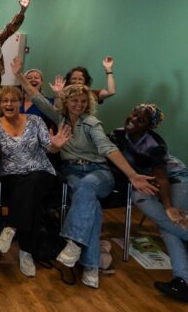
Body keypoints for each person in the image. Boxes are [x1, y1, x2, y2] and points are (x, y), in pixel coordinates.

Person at [15, 66, 157, 290]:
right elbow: (36, 97)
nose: (78, 105)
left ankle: (73, 242)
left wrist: (132, 174)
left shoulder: (91, 123)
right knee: (92, 206)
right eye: (74, 101)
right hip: (71, 171)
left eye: (83, 101)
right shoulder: (59, 117)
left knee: (87, 186)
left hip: (98, 172)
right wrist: (18, 75)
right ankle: (91, 266)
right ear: (66, 101)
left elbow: (107, 148)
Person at [111, 103, 188, 302]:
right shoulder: (119, 134)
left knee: (168, 229)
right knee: (138, 196)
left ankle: (183, 282)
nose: (134, 119)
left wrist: (168, 207)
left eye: (141, 119)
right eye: (134, 113)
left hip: (178, 181)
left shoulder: (155, 145)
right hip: (152, 182)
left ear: (149, 126)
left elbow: (162, 178)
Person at [0, 86, 70, 278]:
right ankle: (25, 251)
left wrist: (56, 146)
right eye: (5, 100)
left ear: (20, 102)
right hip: (12, 176)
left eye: (13, 100)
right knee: (31, 196)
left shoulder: (35, 120)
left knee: (33, 180)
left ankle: (12, 227)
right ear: (0, 104)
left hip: (42, 173)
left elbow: (49, 147)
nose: (9, 104)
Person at [51, 58, 116, 104]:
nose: (77, 82)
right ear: (69, 80)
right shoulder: (62, 93)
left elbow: (111, 92)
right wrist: (58, 94)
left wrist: (108, 69)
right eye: (74, 79)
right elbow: (56, 111)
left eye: (80, 79)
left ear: (85, 81)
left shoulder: (90, 94)